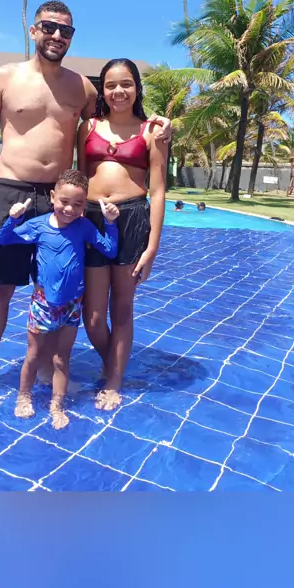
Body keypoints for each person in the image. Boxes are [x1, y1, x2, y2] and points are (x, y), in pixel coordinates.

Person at [0, 0, 172, 420]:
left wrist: (163, 126)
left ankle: (46, 373)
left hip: (63, 202)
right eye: (49, 27)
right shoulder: (4, 78)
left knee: (60, 290)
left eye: (66, 31)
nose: (57, 36)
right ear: (33, 30)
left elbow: (117, 122)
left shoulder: (83, 89)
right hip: (13, 192)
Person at [78, 58, 168, 411]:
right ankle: (113, 363)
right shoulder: (87, 127)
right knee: (93, 317)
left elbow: (158, 191)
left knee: (122, 307)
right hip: (92, 218)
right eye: (111, 85)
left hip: (132, 219)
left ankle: (114, 381)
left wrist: (152, 248)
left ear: (137, 88)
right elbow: (80, 177)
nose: (119, 91)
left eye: (126, 84)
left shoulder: (152, 131)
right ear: (102, 90)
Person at [0, 170, 119, 429]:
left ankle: (57, 405)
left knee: (62, 358)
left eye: (78, 204)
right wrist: (14, 218)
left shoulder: (84, 227)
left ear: (85, 205)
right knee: (33, 355)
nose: (70, 209)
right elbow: (4, 238)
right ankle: (24, 396)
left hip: (72, 304)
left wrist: (110, 223)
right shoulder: (38, 225)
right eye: (64, 201)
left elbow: (109, 249)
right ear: (53, 197)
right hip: (43, 303)